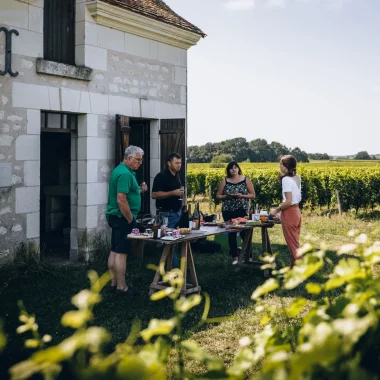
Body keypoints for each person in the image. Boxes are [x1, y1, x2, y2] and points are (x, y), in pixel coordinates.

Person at [106, 145, 148, 296]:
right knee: (121, 253)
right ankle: (122, 287)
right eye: (138, 159)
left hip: (115, 216)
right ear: (129, 158)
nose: (140, 162)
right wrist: (131, 221)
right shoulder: (124, 174)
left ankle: (113, 283)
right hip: (122, 217)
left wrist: (139, 189)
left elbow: (127, 192)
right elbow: (121, 200)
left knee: (114, 250)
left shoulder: (123, 170)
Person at [216, 161, 256, 265]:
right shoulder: (225, 180)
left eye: (235, 167)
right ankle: (235, 257)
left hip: (242, 209)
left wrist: (242, 196)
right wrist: (227, 196)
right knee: (231, 234)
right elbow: (218, 195)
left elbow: (252, 195)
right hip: (228, 210)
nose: (233, 169)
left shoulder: (245, 179)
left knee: (244, 233)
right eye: (231, 168)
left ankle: (249, 256)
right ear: (228, 170)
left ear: (238, 169)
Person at [152, 152, 184, 267]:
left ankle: (173, 271)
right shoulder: (161, 176)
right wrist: (173, 193)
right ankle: (173, 272)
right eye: (176, 163)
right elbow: (154, 194)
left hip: (177, 213)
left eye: (180, 163)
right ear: (169, 163)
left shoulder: (177, 176)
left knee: (175, 242)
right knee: (169, 244)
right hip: (166, 215)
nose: (179, 165)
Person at [270, 155, 302, 268]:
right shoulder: (297, 177)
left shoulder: (286, 180)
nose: (279, 166)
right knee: (295, 242)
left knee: (293, 245)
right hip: (297, 211)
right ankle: (293, 269)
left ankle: (302, 270)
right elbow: (295, 198)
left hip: (289, 213)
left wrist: (276, 210)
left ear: (286, 166)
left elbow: (288, 201)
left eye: (281, 164)